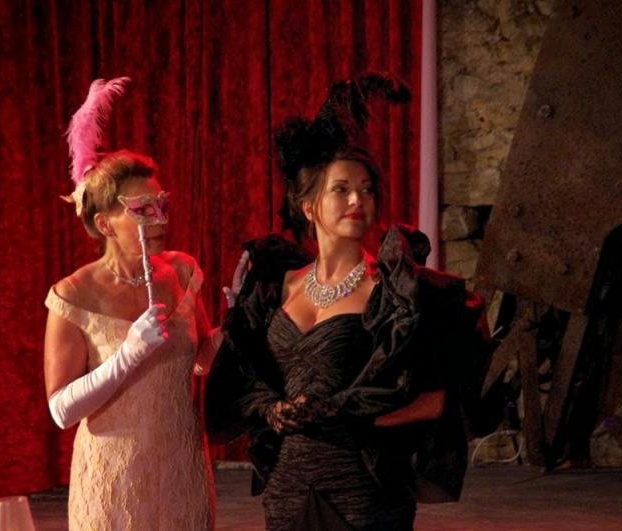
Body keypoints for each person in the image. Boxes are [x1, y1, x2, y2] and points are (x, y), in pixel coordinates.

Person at [205, 73, 487, 531]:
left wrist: (342, 415)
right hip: (288, 489)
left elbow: (434, 402)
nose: (358, 199)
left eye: (367, 189)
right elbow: (246, 381)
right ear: (308, 205)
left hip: (365, 490)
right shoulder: (276, 287)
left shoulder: (396, 293)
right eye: (341, 189)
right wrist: (272, 410)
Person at [43, 78, 221, 530]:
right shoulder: (73, 294)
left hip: (181, 474)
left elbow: (200, 360)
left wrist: (236, 325)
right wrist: (126, 356)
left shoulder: (181, 271)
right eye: (143, 210)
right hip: (114, 482)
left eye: (161, 205)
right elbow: (61, 410)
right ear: (105, 223)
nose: (160, 218)